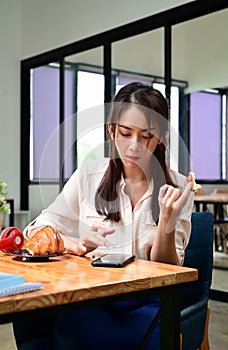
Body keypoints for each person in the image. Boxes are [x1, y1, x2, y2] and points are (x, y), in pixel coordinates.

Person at [13, 82, 194, 350]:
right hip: (92, 297)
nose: (134, 146)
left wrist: (166, 220)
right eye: (125, 133)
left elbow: (169, 267)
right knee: (72, 330)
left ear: (160, 138)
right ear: (111, 130)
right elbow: (38, 228)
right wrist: (72, 244)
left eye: (146, 136)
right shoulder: (88, 175)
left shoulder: (179, 188)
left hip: (148, 301)